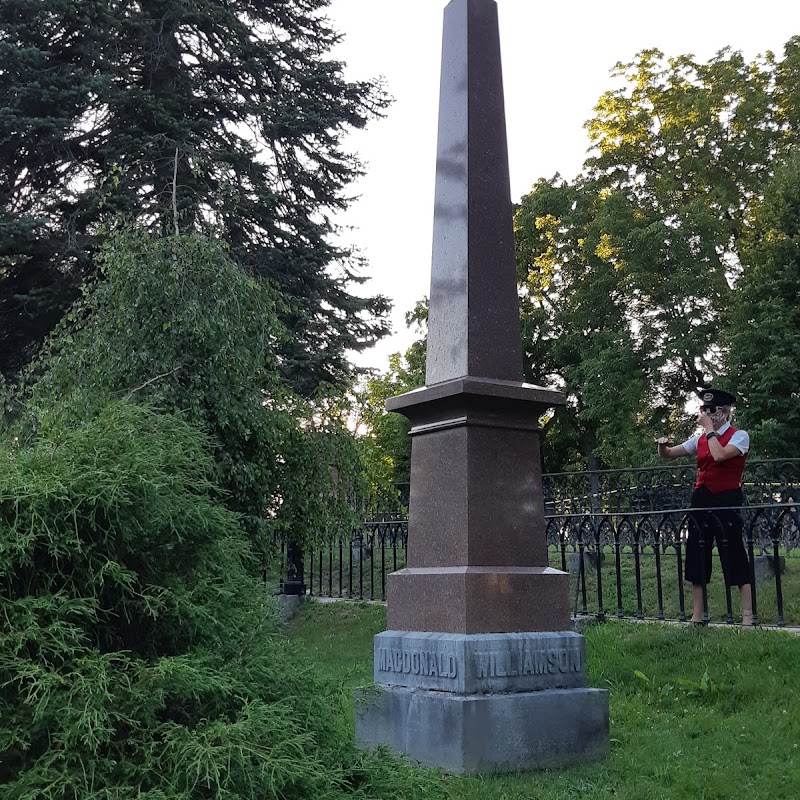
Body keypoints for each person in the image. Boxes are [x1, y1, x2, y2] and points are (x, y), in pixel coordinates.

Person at [656, 388, 753, 626]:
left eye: (711, 410)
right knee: (697, 551)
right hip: (701, 499)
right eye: (704, 410)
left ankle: (747, 616)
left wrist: (709, 429)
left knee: (733, 551)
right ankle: (697, 615)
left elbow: (719, 456)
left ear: (724, 412)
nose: (706, 414)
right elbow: (668, 454)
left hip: (726, 499)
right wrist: (662, 445)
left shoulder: (739, 436)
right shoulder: (699, 439)